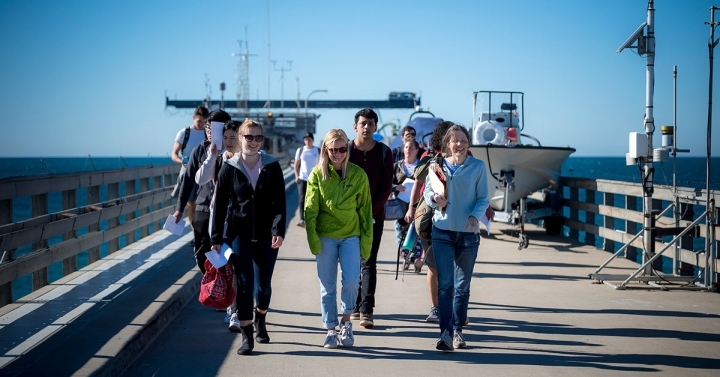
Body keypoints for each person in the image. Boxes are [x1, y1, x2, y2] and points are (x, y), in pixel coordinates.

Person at [211, 119, 287, 356]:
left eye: (258, 138)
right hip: (239, 235)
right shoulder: (229, 167)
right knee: (244, 286)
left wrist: (278, 230)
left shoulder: (272, 166)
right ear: (240, 138)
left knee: (263, 287)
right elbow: (220, 204)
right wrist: (216, 237)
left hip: (267, 236)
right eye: (249, 137)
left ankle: (260, 319)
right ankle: (247, 337)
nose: (253, 142)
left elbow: (280, 203)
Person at [423, 124, 490, 352]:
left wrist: (474, 216)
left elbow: (483, 198)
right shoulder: (437, 166)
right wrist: (435, 200)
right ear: (448, 144)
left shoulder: (478, 167)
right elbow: (427, 193)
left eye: (463, 140)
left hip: (468, 236)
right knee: (446, 286)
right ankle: (445, 333)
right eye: (455, 140)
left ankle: (458, 330)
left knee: (462, 287)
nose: (459, 144)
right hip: (442, 232)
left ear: (468, 143)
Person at [304, 129, 373, 349]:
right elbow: (310, 210)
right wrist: (313, 240)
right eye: (333, 149)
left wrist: (366, 242)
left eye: (342, 149)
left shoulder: (358, 175)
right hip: (325, 236)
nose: (338, 153)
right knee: (327, 287)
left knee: (352, 281)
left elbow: (365, 210)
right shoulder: (316, 175)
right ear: (325, 149)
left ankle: (346, 322)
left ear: (347, 149)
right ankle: (331, 330)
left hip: (350, 236)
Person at [348, 108, 394, 328]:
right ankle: (355, 306)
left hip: (374, 217)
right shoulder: (345, 150)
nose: (367, 127)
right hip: (346, 217)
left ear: (376, 127)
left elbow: (386, 187)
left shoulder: (385, 152)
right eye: (363, 123)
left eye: (371, 123)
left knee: (368, 261)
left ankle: (367, 309)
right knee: (351, 263)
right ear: (355, 126)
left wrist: (368, 211)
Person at [194, 119, 240, 325]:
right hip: (219, 221)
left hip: (240, 221)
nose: (229, 142)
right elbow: (200, 179)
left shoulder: (246, 160)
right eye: (226, 137)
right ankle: (232, 306)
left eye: (233, 137)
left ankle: (237, 311)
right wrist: (211, 155)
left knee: (237, 267)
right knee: (225, 267)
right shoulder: (219, 159)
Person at [173, 109, 231, 273]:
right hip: (202, 208)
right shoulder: (199, 151)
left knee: (226, 255)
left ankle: (226, 291)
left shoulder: (235, 152)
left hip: (228, 212)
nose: (210, 133)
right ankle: (211, 285)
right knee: (200, 255)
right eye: (207, 128)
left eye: (214, 129)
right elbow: (188, 179)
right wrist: (179, 209)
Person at [171, 105, 209, 233]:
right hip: (188, 170)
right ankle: (195, 232)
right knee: (191, 202)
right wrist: (182, 161)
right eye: (199, 121)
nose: (201, 124)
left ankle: (200, 230)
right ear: (193, 118)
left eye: (204, 122)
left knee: (200, 203)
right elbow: (174, 154)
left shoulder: (207, 133)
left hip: (204, 170)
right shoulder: (184, 133)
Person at [392, 137, 421, 270]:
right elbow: (387, 183)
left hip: (417, 204)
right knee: (400, 230)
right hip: (399, 204)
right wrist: (395, 187)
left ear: (416, 150)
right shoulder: (397, 166)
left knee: (416, 230)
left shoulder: (422, 166)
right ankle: (404, 256)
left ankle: (415, 256)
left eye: (411, 147)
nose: (408, 150)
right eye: (406, 147)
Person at [294, 132, 320, 227]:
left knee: (313, 199)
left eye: (309, 139)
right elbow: (296, 165)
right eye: (306, 139)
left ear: (313, 140)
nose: (307, 141)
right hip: (302, 178)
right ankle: (302, 219)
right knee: (302, 199)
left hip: (314, 179)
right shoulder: (300, 150)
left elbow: (321, 165)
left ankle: (313, 219)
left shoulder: (318, 150)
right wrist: (296, 177)